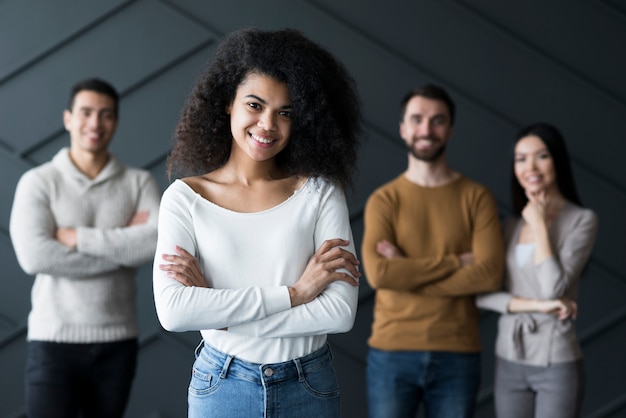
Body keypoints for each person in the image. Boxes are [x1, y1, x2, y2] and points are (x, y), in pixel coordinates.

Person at [152, 28, 362, 418]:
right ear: (227, 103)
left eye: (285, 112)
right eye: (255, 104)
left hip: (309, 386)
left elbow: (339, 313)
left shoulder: (320, 194)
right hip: (222, 385)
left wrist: (220, 317)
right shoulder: (185, 199)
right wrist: (296, 293)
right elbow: (175, 311)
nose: (268, 124)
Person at [9, 78, 161, 417]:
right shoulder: (39, 182)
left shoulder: (139, 182)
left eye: (106, 114)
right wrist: (122, 248)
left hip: (118, 342)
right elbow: (35, 257)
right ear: (68, 118)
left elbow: (154, 243)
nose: (95, 123)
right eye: (86, 112)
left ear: (116, 122)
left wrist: (79, 237)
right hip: (53, 340)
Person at [361, 83, 505, 418]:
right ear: (403, 128)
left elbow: (488, 275)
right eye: (417, 119)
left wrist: (407, 272)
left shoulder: (476, 197)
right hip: (391, 352)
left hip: (457, 353)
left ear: (450, 129)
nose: (426, 129)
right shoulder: (385, 199)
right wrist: (457, 262)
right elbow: (380, 274)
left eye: (437, 120)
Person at [476, 123, 598, 418]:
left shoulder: (581, 220)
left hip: (555, 360)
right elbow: (481, 295)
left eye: (541, 156)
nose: (530, 166)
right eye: (521, 158)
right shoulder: (510, 227)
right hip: (508, 357)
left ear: (557, 160)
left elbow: (553, 289)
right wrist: (539, 306)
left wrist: (541, 224)